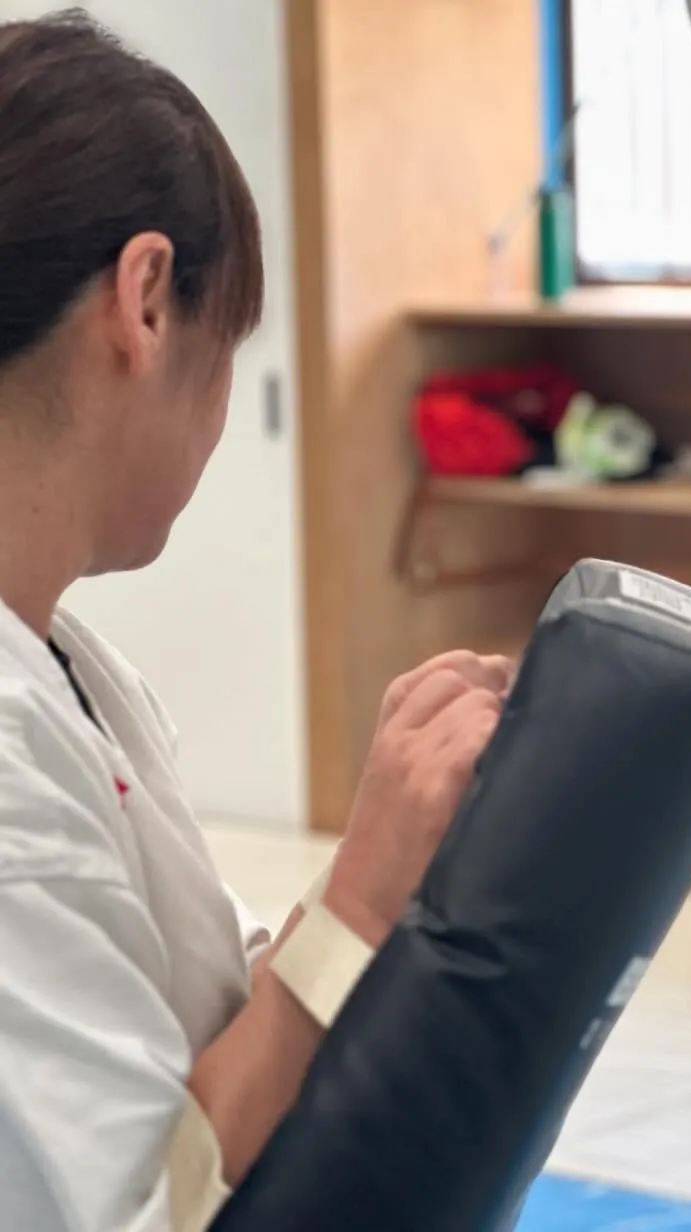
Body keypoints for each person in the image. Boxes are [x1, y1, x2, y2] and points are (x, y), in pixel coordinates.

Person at [0, 13, 512, 1230]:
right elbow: (146, 1203)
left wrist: (385, 844)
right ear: (144, 303)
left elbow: (221, 1012)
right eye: (228, 343)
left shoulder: (74, 668)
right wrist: (366, 892)